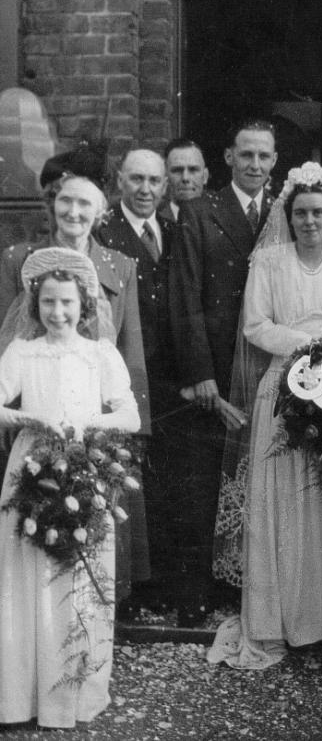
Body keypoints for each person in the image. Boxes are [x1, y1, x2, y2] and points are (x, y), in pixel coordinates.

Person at [207, 161, 322, 670]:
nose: (309, 222)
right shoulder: (269, 260)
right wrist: (306, 345)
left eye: (318, 213)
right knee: (282, 496)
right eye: (301, 213)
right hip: (282, 385)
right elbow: (256, 325)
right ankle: (280, 615)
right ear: (289, 215)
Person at [0, 247, 140, 728]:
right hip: (32, 466)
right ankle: (22, 697)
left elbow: (129, 413)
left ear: (84, 305)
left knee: (78, 574)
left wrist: (83, 424)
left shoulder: (99, 353)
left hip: (83, 466)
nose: (57, 313)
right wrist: (28, 418)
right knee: (28, 573)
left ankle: (72, 694)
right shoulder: (23, 352)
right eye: (48, 304)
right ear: (35, 306)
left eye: (67, 304)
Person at [0, 164, 151, 602]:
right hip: (35, 412)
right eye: (65, 200)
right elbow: (9, 334)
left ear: (101, 212)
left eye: (85, 203)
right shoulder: (20, 259)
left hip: (95, 421)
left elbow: (131, 349)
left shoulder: (119, 266)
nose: (73, 211)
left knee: (91, 522)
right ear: (52, 205)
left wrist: (131, 430)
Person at [169, 119, 277, 617]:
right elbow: (185, 295)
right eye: (247, 155)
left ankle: (250, 589)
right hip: (216, 364)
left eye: (264, 157)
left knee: (258, 475)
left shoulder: (284, 212)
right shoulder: (199, 211)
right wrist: (200, 372)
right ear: (229, 157)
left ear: (274, 162)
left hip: (262, 361)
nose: (255, 165)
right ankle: (196, 595)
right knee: (206, 479)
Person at [96, 149, 182, 612]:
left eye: (153, 180)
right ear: (120, 181)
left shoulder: (171, 229)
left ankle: (160, 581)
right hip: (129, 370)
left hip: (169, 377)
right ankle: (130, 588)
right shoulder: (103, 231)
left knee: (165, 481)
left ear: (165, 184)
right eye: (136, 180)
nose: (145, 189)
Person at [162, 138, 210, 222]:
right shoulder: (154, 221)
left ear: (205, 176)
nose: (185, 178)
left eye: (193, 170)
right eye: (177, 170)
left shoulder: (222, 220)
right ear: (166, 177)